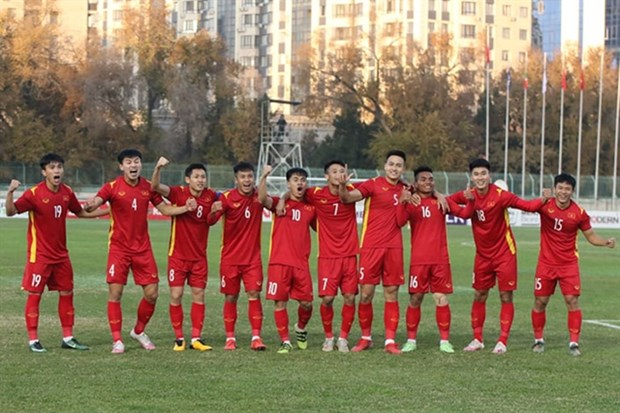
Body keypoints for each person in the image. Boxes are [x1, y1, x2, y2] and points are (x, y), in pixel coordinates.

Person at [84, 149, 193, 354]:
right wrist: (91, 204)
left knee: (152, 294)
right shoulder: (112, 187)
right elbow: (97, 201)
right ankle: (117, 340)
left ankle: (138, 331)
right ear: (121, 166)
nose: (133, 166)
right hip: (119, 249)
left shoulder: (148, 187)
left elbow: (165, 210)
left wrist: (185, 208)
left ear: (141, 165)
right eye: (128, 162)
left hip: (143, 249)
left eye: (136, 162)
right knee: (115, 293)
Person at [5, 153, 105, 352]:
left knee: (67, 292)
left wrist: (109, 211)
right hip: (40, 255)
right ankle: (33, 340)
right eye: (52, 167)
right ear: (44, 172)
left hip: (61, 255)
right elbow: (10, 211)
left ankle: (68, 337)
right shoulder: (33, 194)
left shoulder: (67, 192)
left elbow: (81, 213)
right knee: (35, 294)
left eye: (59, 167)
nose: (57, 170)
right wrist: (10, 193)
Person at [449, 158, 550, 354]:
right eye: (476, 174)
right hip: (482, 256)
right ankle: (477, 338)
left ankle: (502, 340)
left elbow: (528, 206)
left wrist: (544, 199)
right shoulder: (468, 195)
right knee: (479, 294)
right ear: (472, 176)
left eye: (483, 174)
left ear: (489, 176)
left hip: (505, 253)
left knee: (505, 295)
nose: (480, 177)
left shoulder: (501, 196)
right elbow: (448, 201)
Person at [276, 160, 359, 352]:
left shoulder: (351, 189)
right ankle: (329, 337)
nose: (339, 175)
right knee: (327, 299)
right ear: (326, 176)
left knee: (349, 297)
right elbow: (296, 192)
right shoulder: (316, 194)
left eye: (341, 171)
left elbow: (360, 193)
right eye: (334, 172)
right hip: (327, 257)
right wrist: (282, 198)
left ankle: (343, 338)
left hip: (349, 255)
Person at [530, 173, 615, 356]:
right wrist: (541, 199)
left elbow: (591, 236)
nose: (563, 192)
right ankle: (538, 340)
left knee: (572, 300)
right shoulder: (545, 205)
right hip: (546, 264)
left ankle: (574, 343)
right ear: (555, 189)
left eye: (567, 189)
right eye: (560, 188)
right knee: (540, 301)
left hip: (568, 264)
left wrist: (605, 242)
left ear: (572, 191)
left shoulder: (579, 213)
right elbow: (527, 207)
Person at [338, 150, 408, 354]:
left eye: (399, 165)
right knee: (366, 294)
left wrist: (404, 201)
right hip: (371, 247)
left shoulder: (406, 189)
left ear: (403, 169)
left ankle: (390, 341)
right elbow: (347, 199)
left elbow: (402, 221)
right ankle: (365, 337)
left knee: (391, 294)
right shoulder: (373, 184)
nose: (394, 168)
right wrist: (342, 185)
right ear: (385, 166)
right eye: (391, 164)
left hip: (394, 248)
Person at [396, 166, 473, 354]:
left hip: (440, 260)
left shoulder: (441, 202)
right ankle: (411, 340)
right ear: (416, 183)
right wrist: (402, 202)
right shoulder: (411, 202)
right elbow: (399, 222)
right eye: (423, 179)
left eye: (431, 179)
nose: (428, 182)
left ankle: (444, 341)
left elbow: (464, 214)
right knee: (416, 298)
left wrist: (470, 201)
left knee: (441, 298)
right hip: (419, 260)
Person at [151, 157, 218, 352]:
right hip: (178, 256)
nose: (200, 180)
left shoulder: (211, 196)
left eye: (203, 177)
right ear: (188, 179)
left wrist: (215, 210)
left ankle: (196, 338)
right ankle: (179, 338)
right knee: (176, 295)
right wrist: (158, 168)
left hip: (199, 258)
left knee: (199, 295)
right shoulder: (178, 193)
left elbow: (225, 200)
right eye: (196, 177)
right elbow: (154, 186)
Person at [208, 162, 267, 351]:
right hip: (230, 259)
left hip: (252, 259)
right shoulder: (226, 198)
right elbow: (210, 222)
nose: (247, 180)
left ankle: (256, 337)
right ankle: (230, 338)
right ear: (236, 179)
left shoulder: (259, 197)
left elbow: (274, 203)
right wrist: (213, 211)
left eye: (250, 176)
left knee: (254, 295)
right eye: (243, 177)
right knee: (231, 297)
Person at [258, 165, 316, 354]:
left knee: (307, 303)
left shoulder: (310, 208)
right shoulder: (278, 204)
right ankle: (285, 341)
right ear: (288, 183)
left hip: (301, 263)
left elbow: (321, 228)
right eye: (295, 180)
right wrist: (264, 177)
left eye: (302, 180)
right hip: (279, 262)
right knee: (279, 302)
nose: (300, 183)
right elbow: (261, 199)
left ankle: (300, 328)